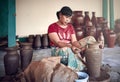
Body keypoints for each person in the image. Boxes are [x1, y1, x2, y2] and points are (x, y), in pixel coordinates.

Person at [47, 6, 99, 71]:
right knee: (67, 49)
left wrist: (81, 47)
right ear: (60, 15)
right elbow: (58, 43)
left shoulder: (70, 26)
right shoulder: (52, 27)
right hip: (58, 51)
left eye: (70, 18)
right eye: (66, 17)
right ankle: (76, 68)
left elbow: (74, 41)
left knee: (90, 39)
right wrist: (71, 46)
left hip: (70, 47)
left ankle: (91, 65)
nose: (68, 20)